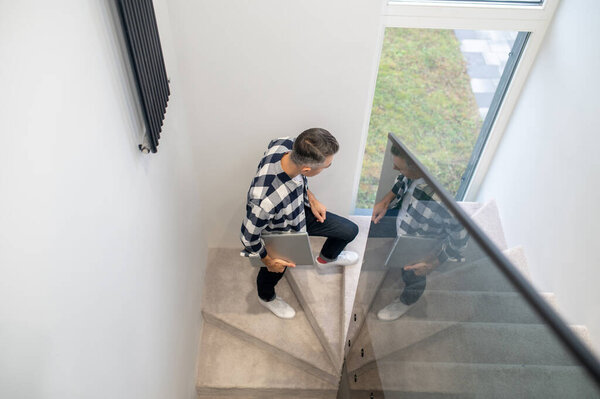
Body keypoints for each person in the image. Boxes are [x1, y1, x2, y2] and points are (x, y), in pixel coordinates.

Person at [241, 128, 360, 319]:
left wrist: (311, 199)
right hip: (281, 231)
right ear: (306, 169)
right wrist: (268, 261)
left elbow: (300, 177)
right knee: (274, 272)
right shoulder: (264, 201)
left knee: (349, 230)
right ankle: (266, 297)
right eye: (326, 166)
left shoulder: (287, 144)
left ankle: (326, 259)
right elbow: (248, 237)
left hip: (299, 211)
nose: (328, 167)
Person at [371, 143, 468, 321]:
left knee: (412, 274)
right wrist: (386, 200)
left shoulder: (444, 201)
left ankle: (408, 300)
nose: (393, 168)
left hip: (418, 243)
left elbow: (460, 237)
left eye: (399, 167)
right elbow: (402, 180)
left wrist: (434, 262)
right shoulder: (412, 174)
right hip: (402, 221)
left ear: (417, 167)